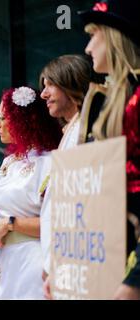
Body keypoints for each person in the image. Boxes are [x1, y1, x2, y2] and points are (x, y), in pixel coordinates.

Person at [79, 0, 140, 299]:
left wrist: (135, 280)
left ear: (115, 37)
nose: (88, 48)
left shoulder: (136, 101)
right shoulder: (112, 101)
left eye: (94, 36)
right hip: (108, 261)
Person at [0, 87, 62, 299]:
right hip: (6, 261)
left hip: (34, 261)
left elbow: (57, 223)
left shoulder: (50, 162)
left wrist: (9, 223)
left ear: (22, 120)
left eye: (3, 117)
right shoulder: (9, 161)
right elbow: (8, 212)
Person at [37, 55, 94, 297]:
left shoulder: (87, 131)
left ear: (71, 82)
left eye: (50, 84)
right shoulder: (71, 130)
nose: (43, 94)